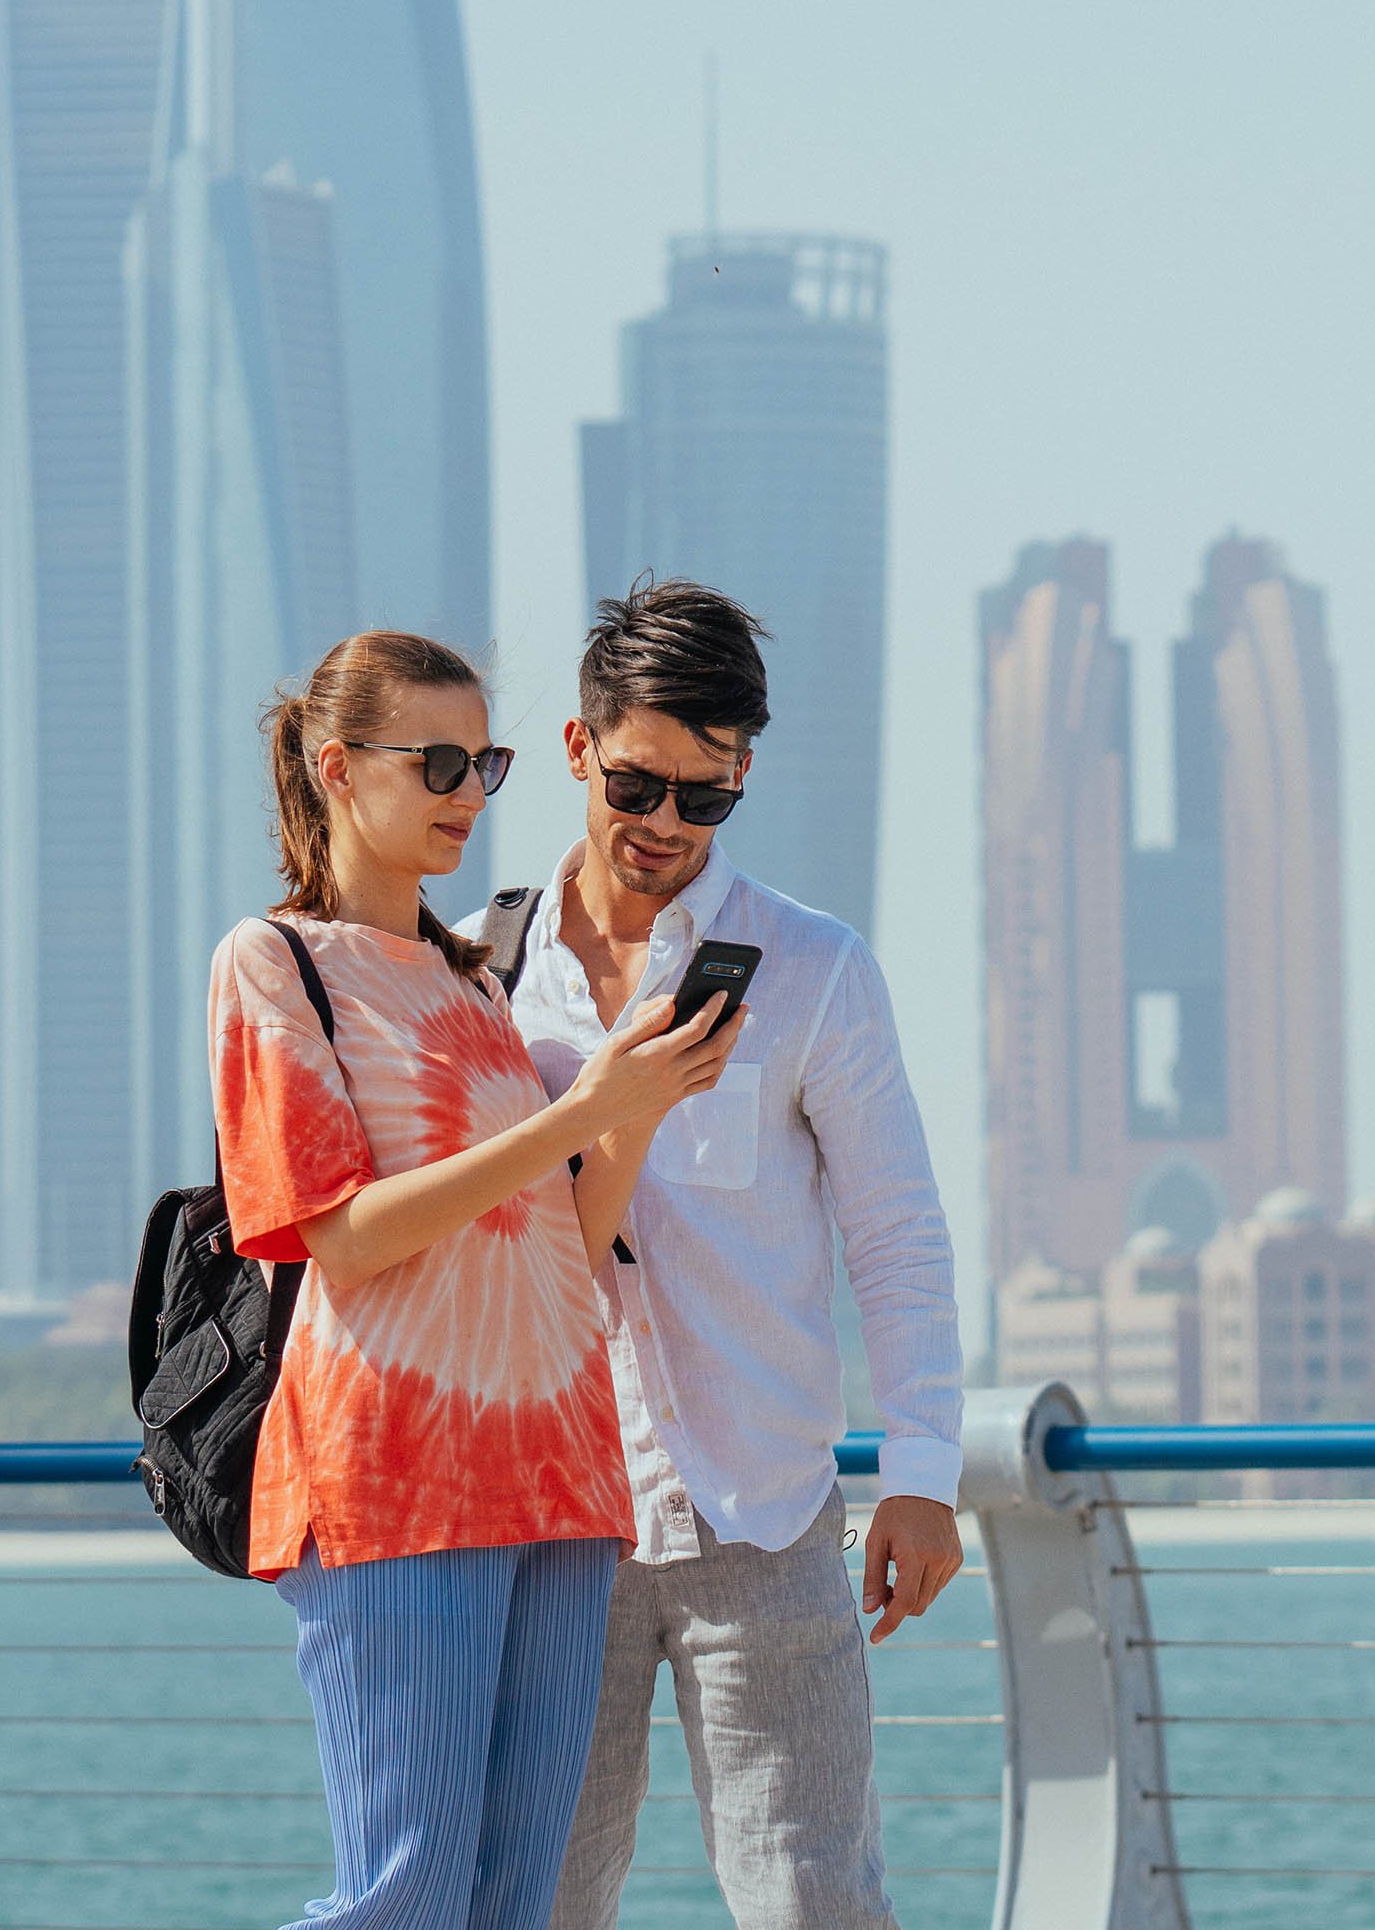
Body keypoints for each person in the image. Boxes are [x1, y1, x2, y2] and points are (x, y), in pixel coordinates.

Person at [211, 629, 745, 1930]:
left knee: (518, 1905)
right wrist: (578, 1115)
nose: (469, 792)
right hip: (397, 1479)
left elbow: (555, 1231)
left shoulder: (467, 982)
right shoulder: (276, 965)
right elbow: (340, 1235)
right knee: (405, 1897)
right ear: (337, 769)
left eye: (486, 762)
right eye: (438, 760)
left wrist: (636, 1107)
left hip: (561, 1479)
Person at [471, 580, 965, 1930]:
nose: (665, 829)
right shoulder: (478, 974)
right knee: (536, 1903)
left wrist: (922, 1473)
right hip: (545, 1530)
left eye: (708, 797)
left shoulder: (816, 967)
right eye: (638, 787)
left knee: (815, 1903)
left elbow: (898, 1232)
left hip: (766, 1510)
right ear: (578, 748)